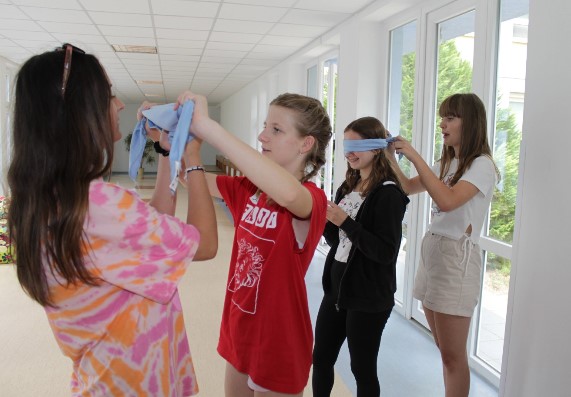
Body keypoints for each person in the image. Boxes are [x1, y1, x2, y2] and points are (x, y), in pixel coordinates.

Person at [7, 44, 218, 396]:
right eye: (109, 95)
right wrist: (194, 157)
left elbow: (150, 227)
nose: (120, 105)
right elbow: (206, 243)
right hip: (135, 383)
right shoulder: (97, 204)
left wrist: (166, 151)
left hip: (104, 376)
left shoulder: (54, 197)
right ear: (77, 112)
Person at [169, 90, 332, 396]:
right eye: (265, 126)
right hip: (240, 325)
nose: (262, 136)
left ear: (306, 143)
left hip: (278, 340)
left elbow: (287, 194)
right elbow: (191, 178)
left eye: (276, 130)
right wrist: (179, 145)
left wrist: (209, 127)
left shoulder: (312, 199)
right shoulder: (248, 189)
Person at [388, 93, 499, 397]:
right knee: (443, 348)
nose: (442, 124)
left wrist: (413, 156)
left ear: (471, 122)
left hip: (456, 259)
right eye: (442, 117)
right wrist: (389, 158)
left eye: (450, 117)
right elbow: (408, 188)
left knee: (452, 355)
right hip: (434, 251)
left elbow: (447, 201)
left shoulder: (482, 165)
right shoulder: (448, 162)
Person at [312, 117, 409, 397]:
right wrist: (327, 222)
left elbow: (385, 252)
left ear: (377, 148)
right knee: (321, 359)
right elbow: (337, 241)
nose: (349, 153)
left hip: (368, 297)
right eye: (346, 146)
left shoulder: (389, 194)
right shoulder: (348, 186)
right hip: (338, 290)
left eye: (357, 146)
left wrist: (344, 221)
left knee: (362, 369)